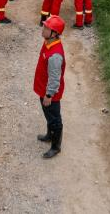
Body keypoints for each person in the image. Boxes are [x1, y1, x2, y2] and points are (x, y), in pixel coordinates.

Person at [34, 15, 66, 159]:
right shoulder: (48, 42)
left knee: (54, 119)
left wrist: (49, 95)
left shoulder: (55, 56)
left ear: (54, 33)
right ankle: (49, 135)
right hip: (43, 88)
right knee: (48, 115)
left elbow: (54, 78)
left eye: (46, 28)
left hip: (49, 93)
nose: (43, 28)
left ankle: (56, 146)